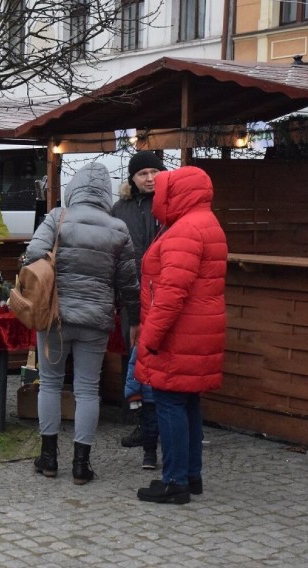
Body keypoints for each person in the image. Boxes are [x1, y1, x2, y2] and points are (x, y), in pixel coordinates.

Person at [26, 163, 140, 485]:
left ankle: (48, 458)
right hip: (95, 319)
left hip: (54, 316)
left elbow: (33, 253)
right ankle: (81, 465)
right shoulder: (118, 228)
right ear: (105, 193)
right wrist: (135, 318)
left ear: (73, 188)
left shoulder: (56, 217)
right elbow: (129, 283)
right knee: (88, 389)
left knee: (49, 383)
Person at [134, 166, 227, 505]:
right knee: (188, 401)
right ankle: (191, 475)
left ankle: (174, 481)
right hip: (199, 331)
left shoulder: (183, 231)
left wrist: (150, 338)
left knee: (170, 402)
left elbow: (171, 294)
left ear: (175, 193)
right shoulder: (206, 223)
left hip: (178, 334)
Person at [111, 151, 167, 469]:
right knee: (132, 358)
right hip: (131, 293)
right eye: (143, 173)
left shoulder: (169, 204)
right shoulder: (120, 209)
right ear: (132, 178)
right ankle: (139, 422)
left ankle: (157, 424)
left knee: (158, 360)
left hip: (161, 292)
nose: (149, 178)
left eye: (153, 171)